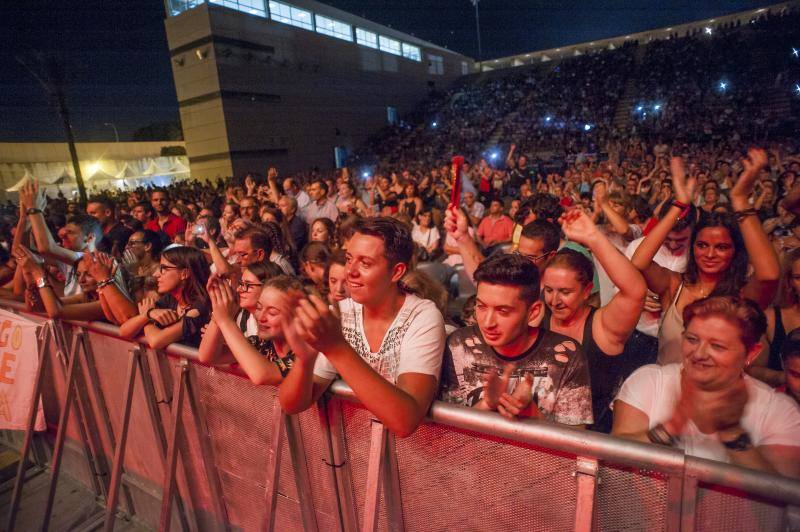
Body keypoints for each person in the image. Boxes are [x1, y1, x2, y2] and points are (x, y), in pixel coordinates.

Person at [278, 217, 446, 438]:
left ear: (396, 272)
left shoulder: (422, 316)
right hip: (356, 456)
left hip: (412, 460)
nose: (350, 272)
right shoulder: (342, 312)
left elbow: (405, 420)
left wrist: (335, 347)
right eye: (349, 259)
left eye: (365, 263)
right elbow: (291, 405)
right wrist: (305, 358)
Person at [613, 296, 800, 478]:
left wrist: (731, 432)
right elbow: (612, 463)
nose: (699, 354)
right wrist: (672, 426)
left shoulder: (780, 411)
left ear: (751, 352)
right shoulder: (649, 381)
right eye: (692, 339)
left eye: (717, 346)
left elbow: (781, 497)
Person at [631, 152, 780, 365]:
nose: (709, 254)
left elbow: (770, 274)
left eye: (721, 247)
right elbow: (640, 262)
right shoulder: (675, 285)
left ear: (734, 252)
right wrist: (679, 205)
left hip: (718, 397)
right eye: (702, 245)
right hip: (667, 394)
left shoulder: (742, 296)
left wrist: (739, 200)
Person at [440, 254, 593, 426]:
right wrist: (487, 406)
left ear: (533, 312)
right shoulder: (459, 344)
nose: (487, 322)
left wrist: (531, 413)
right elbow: (448, 432)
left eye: (503, 311)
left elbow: (576, 442)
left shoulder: (566, 355)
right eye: (481, 306)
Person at [540, 208, 647, 432]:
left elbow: (635, 290)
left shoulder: (602, 326)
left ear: (587, 290)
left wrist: (593, 238)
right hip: (540, 433)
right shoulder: (539, 314)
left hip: (592, 441)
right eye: (549, 290)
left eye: (565, 292)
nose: (555, 300)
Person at [120, 246, 210, 348]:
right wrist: (147, 315)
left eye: (164, 269)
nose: (156, 274)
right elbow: (124, 332)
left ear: (184, 274)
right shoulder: (170, 299)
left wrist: (147, 317)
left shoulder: (201, 306)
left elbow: (156, 341)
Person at [752, 248, 800, 387]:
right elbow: (753, 369)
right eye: (799, 278)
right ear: (789, 282)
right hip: (781, 401)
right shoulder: (771, 318)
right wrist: (787, 377)